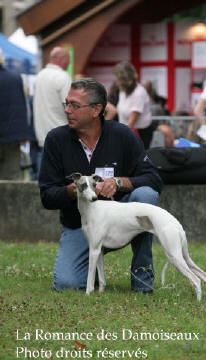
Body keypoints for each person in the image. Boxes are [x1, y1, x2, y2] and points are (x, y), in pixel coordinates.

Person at [39, 77, 163, 293]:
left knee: (146, 197)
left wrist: (119, 183)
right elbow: (47, 195)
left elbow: (153, 178)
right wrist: (75, 190)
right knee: (67, 284)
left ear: (96, 110)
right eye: (66, 104)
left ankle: (142, 279)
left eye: (74, 105)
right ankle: (92, 268)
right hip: (80, 226)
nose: (67, 110)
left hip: (120, 222)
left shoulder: (123, 135)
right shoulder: (55, 139)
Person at [33, 46, 72, 175]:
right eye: (68, 59)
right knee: (61, 176)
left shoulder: (39, 76)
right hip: (60, 131)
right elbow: (70, 106)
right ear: (62, 59)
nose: (69, 63)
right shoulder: (63, 76)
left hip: (41, 132)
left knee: (43, 175)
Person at [0, 49, 29, 180]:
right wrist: (23, 134)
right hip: (12, 136)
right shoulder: (15, 78)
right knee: (11, 176)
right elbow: (22, 107)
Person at [113, 61, 153, 149]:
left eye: (117, 76)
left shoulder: (139, 92)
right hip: (127, 131)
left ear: (124, 77)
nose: (116, 79)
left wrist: (119, 137)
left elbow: (132, 121)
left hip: (140, 133)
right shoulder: (122, 91)